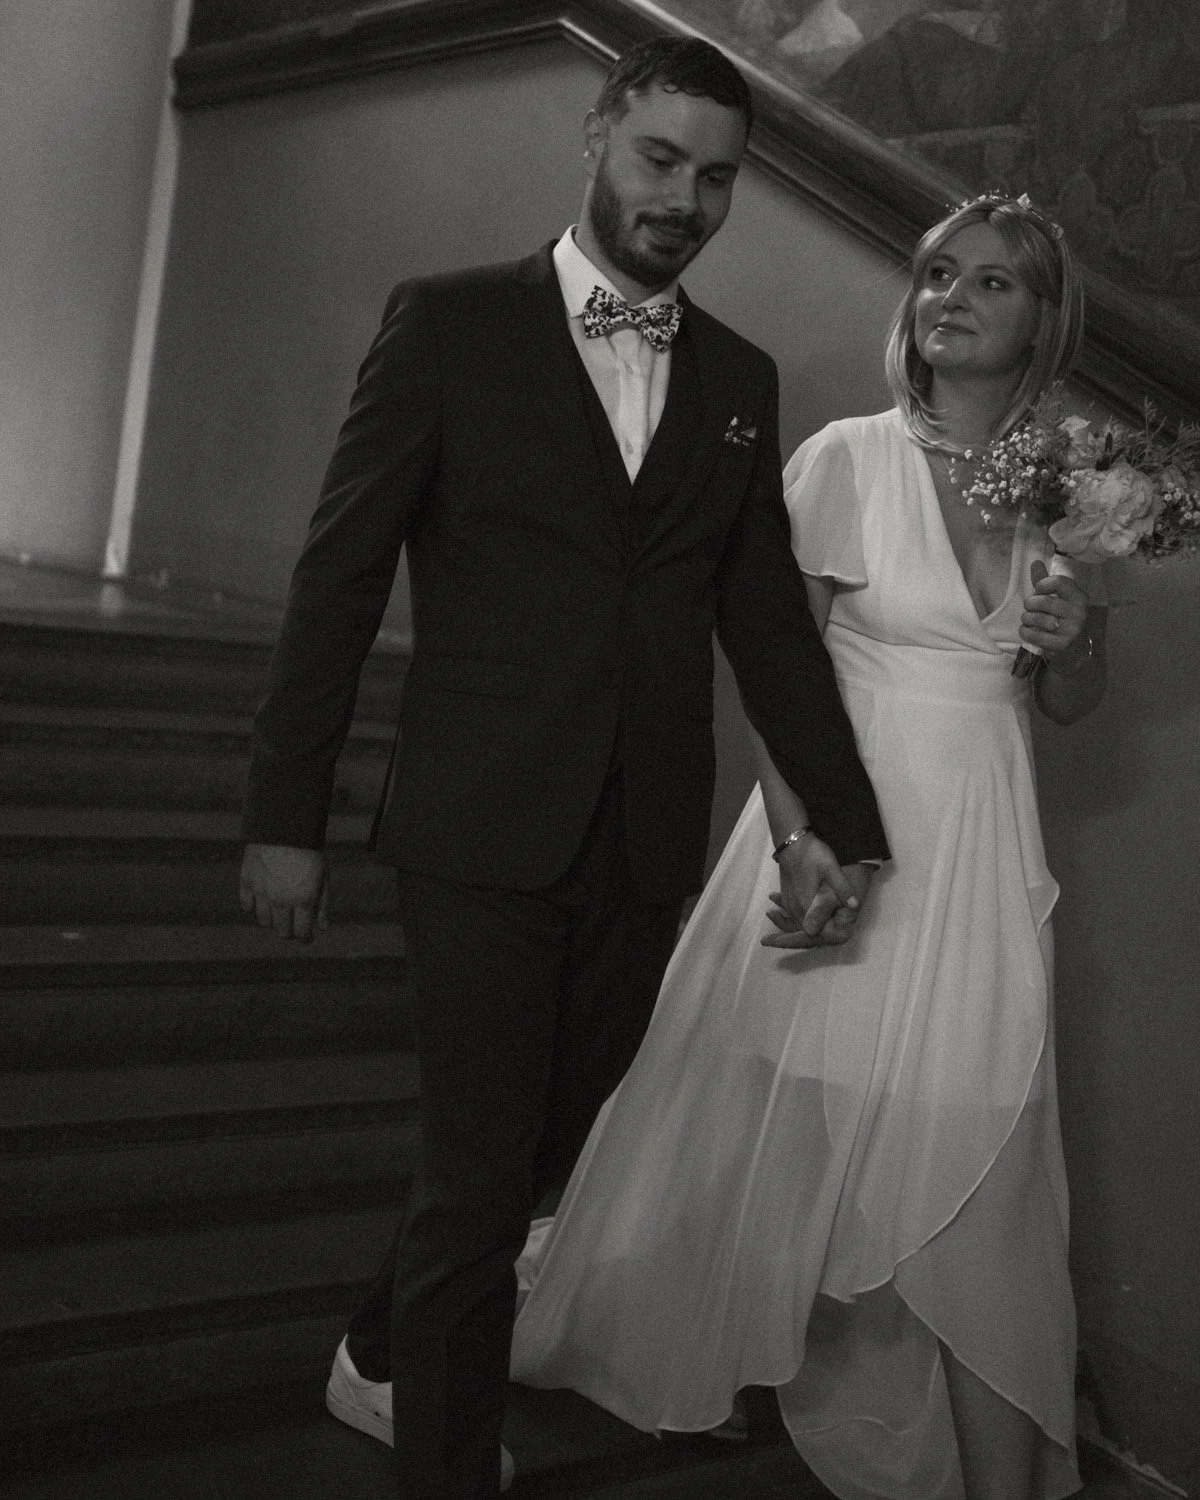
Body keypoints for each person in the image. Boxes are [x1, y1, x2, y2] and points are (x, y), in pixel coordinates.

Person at [238, 36, 888, 1500]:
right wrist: (287, 814)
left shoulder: (739, 378)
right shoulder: (450, 325)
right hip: (475, 825)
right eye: (660, 159)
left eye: (716, 178)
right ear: (597, 133)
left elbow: (766, 623)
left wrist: (841, 824)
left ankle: (380, 1347)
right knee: (480, 1173)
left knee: (549, 1152)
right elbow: (339, 576)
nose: (684, 200)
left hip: (641, 840)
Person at [511, 193, 1106, 1500]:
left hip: (981, 865)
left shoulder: (1056, 487)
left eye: (991, 282)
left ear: (1044, 321)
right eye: (937, 273)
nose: (950, 298)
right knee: (765, 1146)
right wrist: (803, 844)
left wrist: (1079, 646)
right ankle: (672, 1336)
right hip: (844, 843)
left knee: (986, 1178)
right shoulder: (847, 458)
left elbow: (1061, 699)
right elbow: (783, 672)